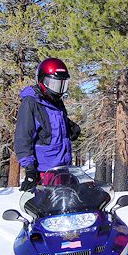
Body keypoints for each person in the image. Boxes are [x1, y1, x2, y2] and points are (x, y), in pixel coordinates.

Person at [14, 57, 80, 191]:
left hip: (62, 168)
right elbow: (23, 137)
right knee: (49, 209)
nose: (58, 90)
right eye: (54, 84)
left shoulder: (56, 102)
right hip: (44, 171)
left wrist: (69, 126)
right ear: (42, 81)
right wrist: (30, 169)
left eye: (62, 85)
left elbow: (49, 125)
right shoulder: (31, 102)